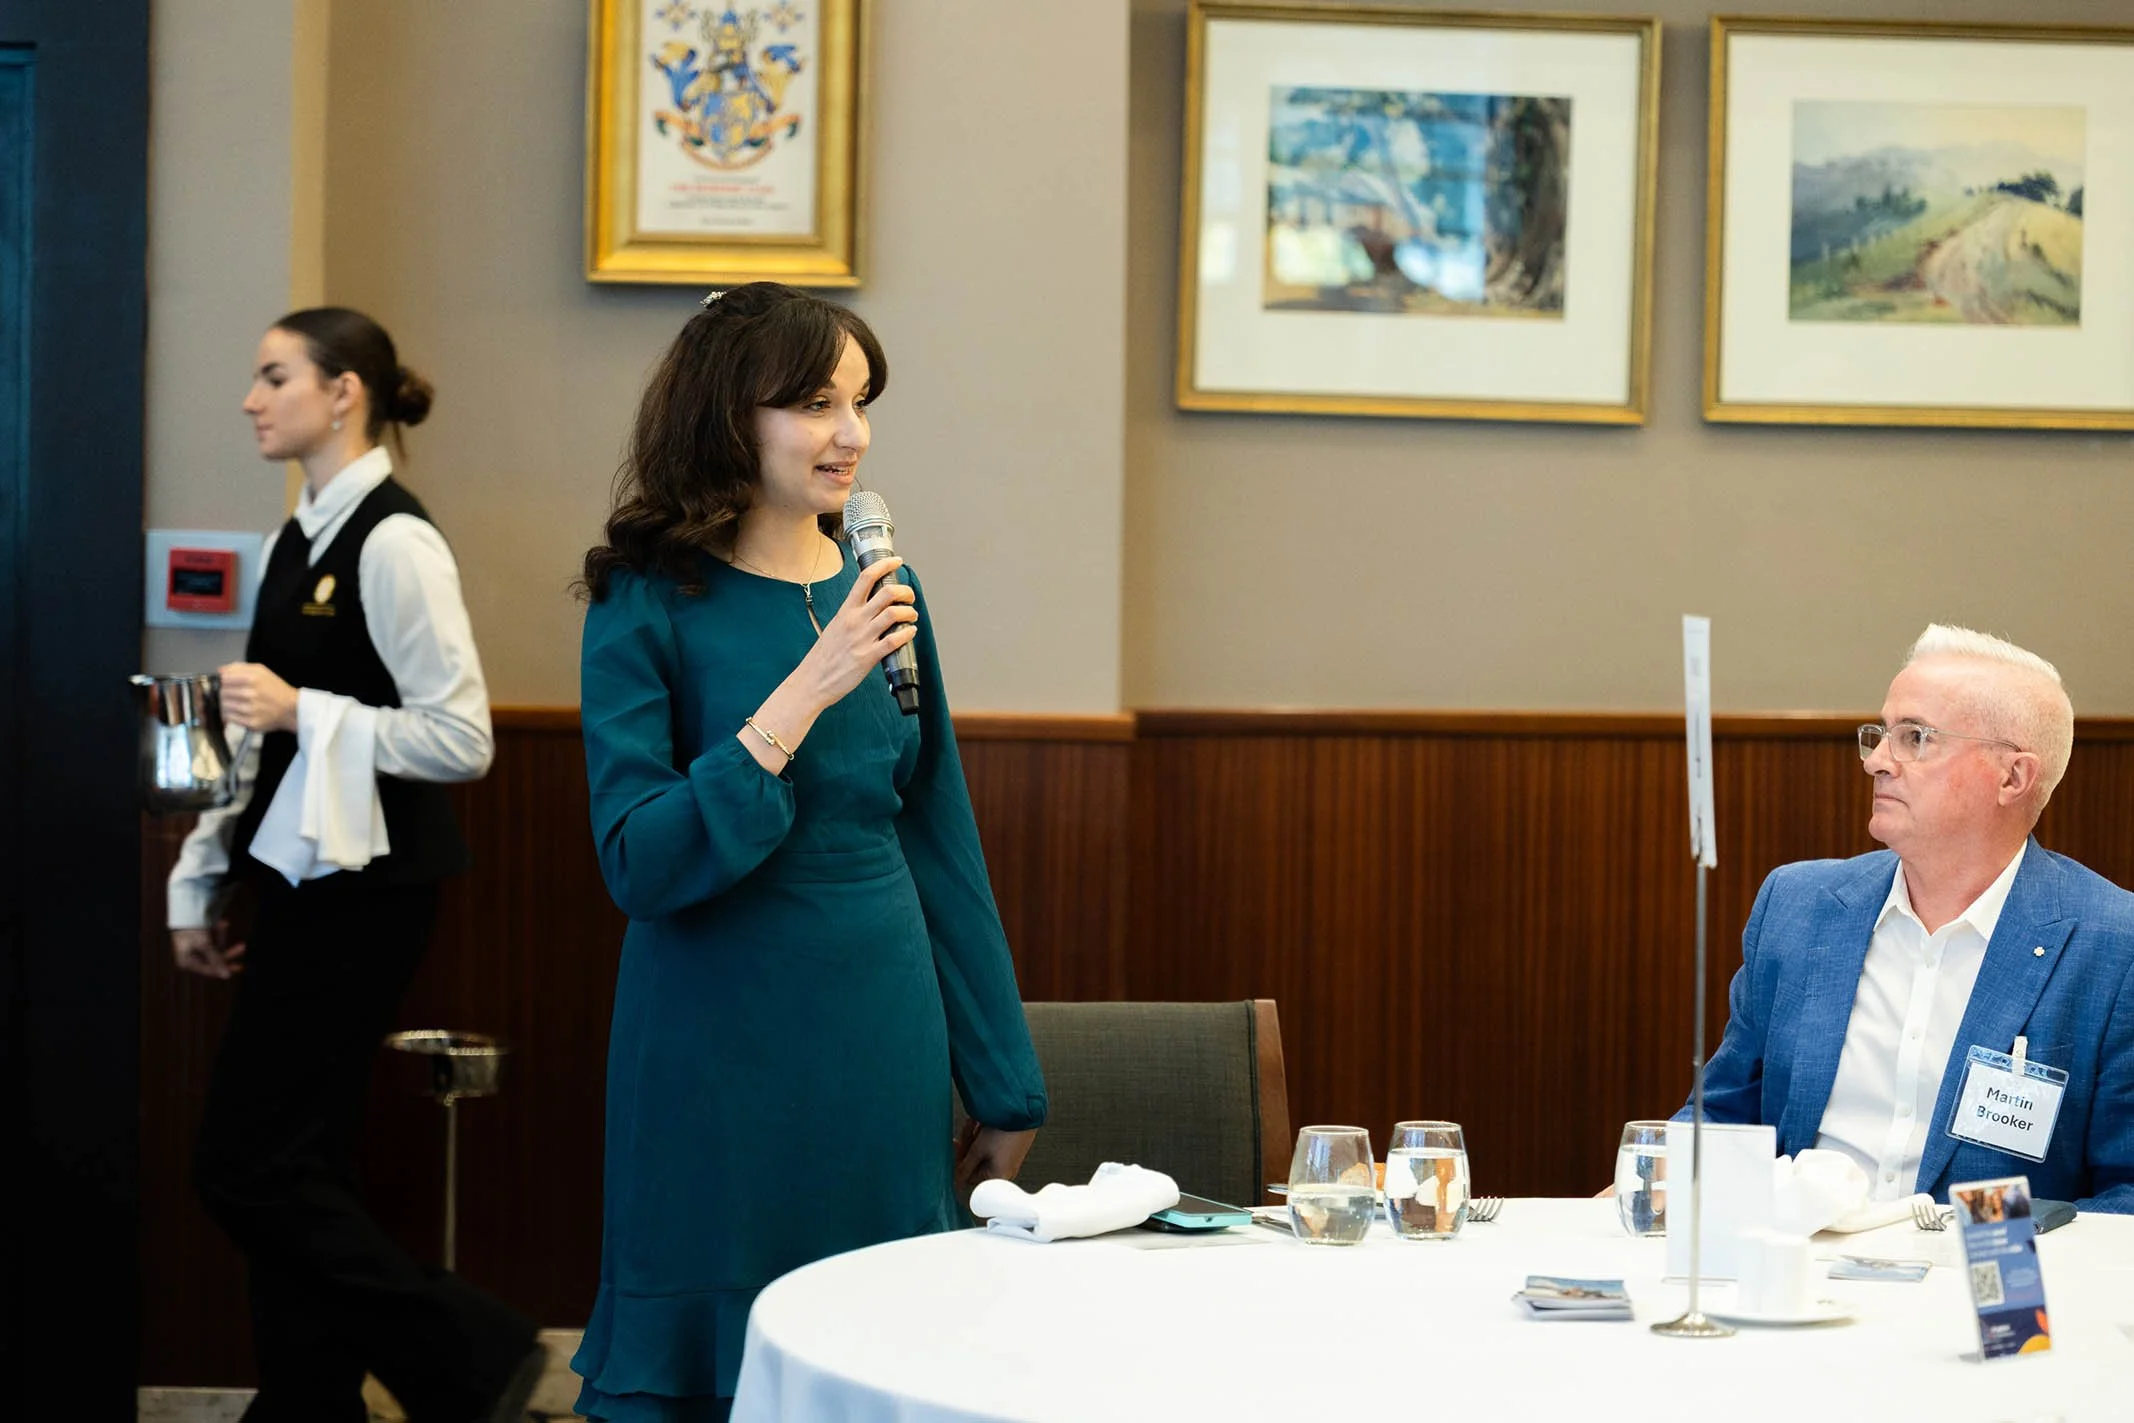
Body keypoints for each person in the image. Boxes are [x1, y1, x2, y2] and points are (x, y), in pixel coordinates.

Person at [572, 282, 1047, 1421]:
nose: (851, 435)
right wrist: (802, 691)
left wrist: (1003, 1076)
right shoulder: (644, 599)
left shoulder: (890, 590)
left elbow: (941, 838)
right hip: (709, 1041)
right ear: (730, 415)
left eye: (860, 400)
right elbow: (639, 859)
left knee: (884, 1337)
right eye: (814, 403)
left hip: (878, 1027)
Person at [166, 308, 542, 1421]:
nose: (250, 397)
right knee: (299, 1163)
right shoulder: (297, 536)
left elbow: (460, 737)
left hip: (370, 892)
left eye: (273, 375)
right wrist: (198, 876)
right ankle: (307, 1404)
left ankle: (473, 1354)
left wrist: (306, 706)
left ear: (345, 394)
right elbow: (255, 732)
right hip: (294, 880)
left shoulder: (395, 540)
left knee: (242, 1163)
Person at [1691, 625, 2134, 1212]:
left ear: (2012, 778)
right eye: (1879, 735)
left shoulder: (2112, 945)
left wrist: (1971, 1252)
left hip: (1985, 1282)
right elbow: (1722, 1116)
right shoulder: (1798, 906)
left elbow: (2125, 1191)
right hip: (1797, 1273)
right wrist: (1658, 1177)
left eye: (1914, 737)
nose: (1876, 761)